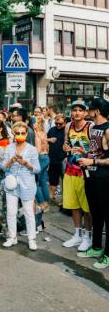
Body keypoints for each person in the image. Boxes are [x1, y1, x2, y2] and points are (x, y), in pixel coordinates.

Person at [77, 98, 109, 269]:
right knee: (95, 214)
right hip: (91, 178)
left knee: (107, 216)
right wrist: (85, 154)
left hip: (105, 179)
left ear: (96, 111)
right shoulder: (94, 128)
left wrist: (93, 163)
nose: (87, 112)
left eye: (89, 109)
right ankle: (96, 247)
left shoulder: (107, 130)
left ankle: (108, 255)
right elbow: (97, 151)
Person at [1, 122, 41, 251]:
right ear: (13, 133)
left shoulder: (32, 149)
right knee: (11, 212)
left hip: (27, 184)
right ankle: (12, 237)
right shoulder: (8, 148)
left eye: (22, 133)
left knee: (29, 212)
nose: (19, 135)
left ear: (26, 134)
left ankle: (31, 239)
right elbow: (1, 167)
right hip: (12, 184)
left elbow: (37, 169)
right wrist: (10, 161)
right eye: (17, 133)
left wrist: (26, 164)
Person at [61, 100, 93, 252]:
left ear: (86, 112)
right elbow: (66, 145)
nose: (77, 113)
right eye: (74, 110)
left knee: (86, 206)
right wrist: (66, 148)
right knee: (73, 204)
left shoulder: (90, 127)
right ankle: (77, 234)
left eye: (80, 110)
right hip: (70, 170)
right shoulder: (68, 126)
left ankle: (88, 236)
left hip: (85, 172)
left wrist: (84, 153)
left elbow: (97, 151)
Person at [47, 114, 66, 204]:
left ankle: (64, 200)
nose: (58, 125)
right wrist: (49, 140)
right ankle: (51, 197)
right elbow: (45, 139)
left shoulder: (67, 131)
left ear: (65, 122)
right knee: (52, 179)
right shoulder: (52, 130)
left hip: (63, 160)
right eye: (56, 123)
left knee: (64, 181)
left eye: (60, 124)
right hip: (52, 159)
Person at [34, 116, 50, 211]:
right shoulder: (43, 133)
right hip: (46, 157)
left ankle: (42, 204)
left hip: (40, 158)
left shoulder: (37, 135)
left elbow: (38, 150)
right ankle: (47, 202)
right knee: (43, 181)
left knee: (36, 183)